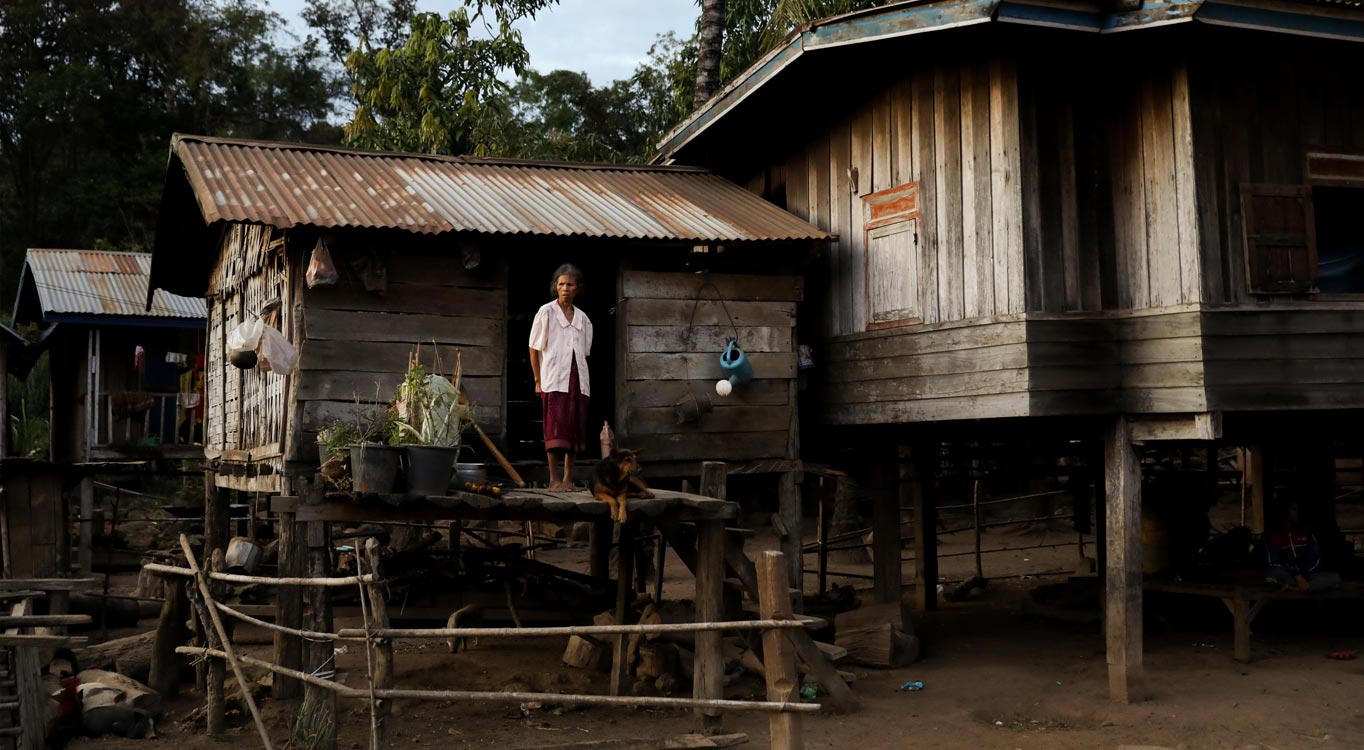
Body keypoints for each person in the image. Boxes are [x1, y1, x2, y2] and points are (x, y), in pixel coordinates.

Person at [528, 264, 592, 491]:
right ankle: (553, 479)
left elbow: (584, 353)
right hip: (554, 380)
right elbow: (534, 348)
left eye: (570, 285)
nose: (565, 288)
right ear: (556, 287)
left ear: (578, 289)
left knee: (574, 429)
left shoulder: (583, 319)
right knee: (554, 428)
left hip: (578, 382)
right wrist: (537, 380)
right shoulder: (546, 312)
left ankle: (568, 480)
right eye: (561, 284)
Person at [1265, 501, 1341, 592]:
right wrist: (1296, 575)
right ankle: (1305, 587)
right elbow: (1273, 563)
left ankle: (1295, 588)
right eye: (1293, 509)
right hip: (1287, 576)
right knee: (1271, 576)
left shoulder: (1305, 532)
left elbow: (1316, 558)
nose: (1297, 512)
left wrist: (1303, 575)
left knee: (1336, 578)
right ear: (1284, 511)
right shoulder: (1272, 535)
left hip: (1307, 576)